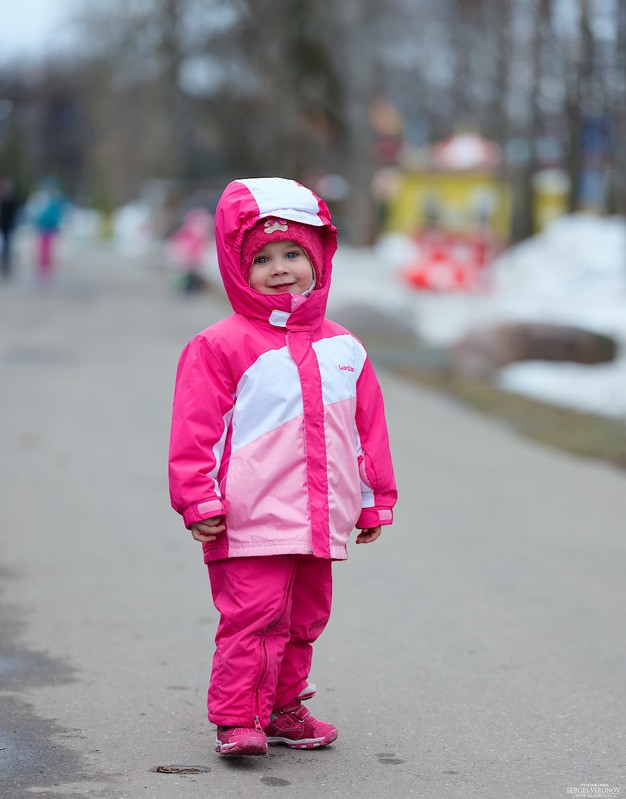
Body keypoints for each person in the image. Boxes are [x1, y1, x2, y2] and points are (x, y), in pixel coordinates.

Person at [168, 177, 397, 757]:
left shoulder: (344, 346)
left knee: (304, 619)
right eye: (262, 258)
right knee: (253, 617)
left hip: (321, 516)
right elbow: (197, 433)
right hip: (247, 517)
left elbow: (367, 431)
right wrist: (198, 500)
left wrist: (374, 499)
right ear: (236, 267)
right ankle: (237, 717)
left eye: (294, 253)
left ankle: (284, 707)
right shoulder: (221, 346)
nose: (280, 268)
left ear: (318, 259)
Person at [166, 207, 213, 293]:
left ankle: (190, 287)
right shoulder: (187, 233)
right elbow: (179, 243)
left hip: (195, 259)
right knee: (184, 272)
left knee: (193, 272)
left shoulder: (203, 236)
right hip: (186, 257)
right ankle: (183, 286)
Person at [0, 178, 19, 280]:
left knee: (7, 246)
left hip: (7, 226)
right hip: (3, 225)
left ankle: (6, 264)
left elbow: (14, 213)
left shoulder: (11, 200)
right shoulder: (2, 199)